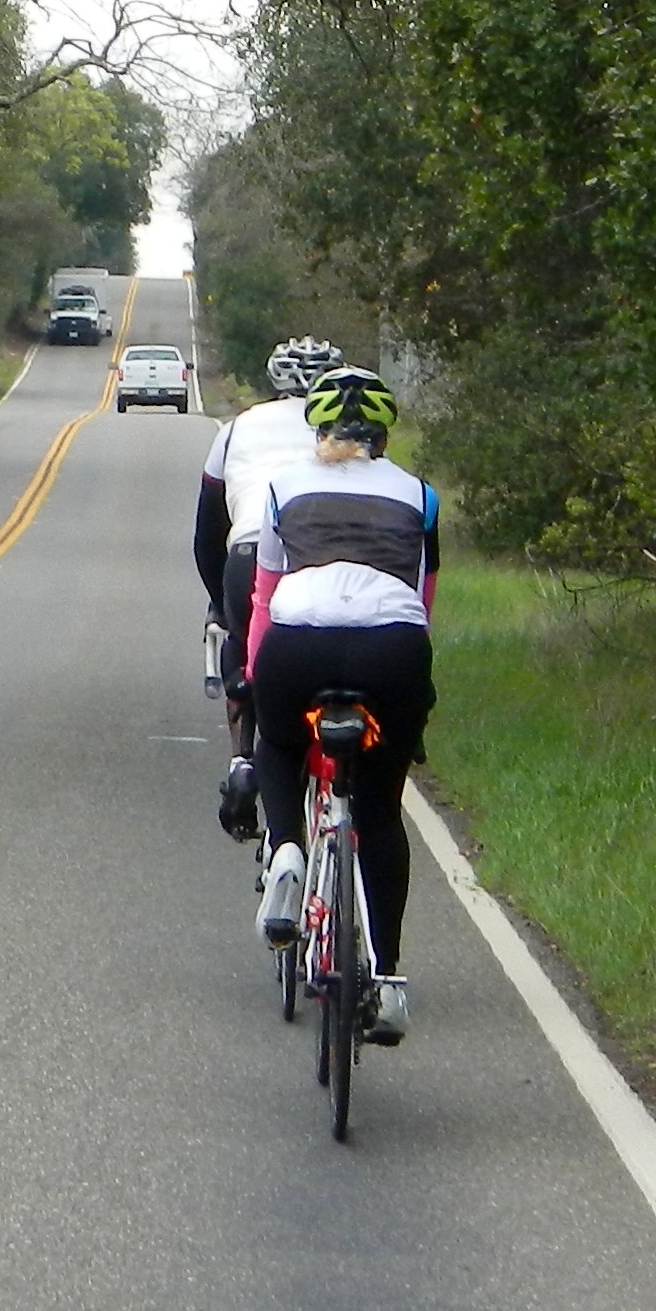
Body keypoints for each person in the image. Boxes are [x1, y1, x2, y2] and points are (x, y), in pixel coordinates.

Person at [240, 364, 435, 1045]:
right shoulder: (419, 495)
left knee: (277, 744)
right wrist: (413, 706)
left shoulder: (283, 487)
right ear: (383, 436)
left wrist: (254, 675)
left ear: (317, 430)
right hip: (391, 648)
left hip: (299, 641)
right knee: (379, 813)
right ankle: (386, 980)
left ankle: (288, 850)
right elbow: (421, 603)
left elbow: (264, 596)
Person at [192, 336, 340, 698]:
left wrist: (221, 603)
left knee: (243, 649)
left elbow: (208, 534)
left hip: (251, 551)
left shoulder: (235, 429)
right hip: (331, 557)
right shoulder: (354, 436)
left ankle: (243, 722)